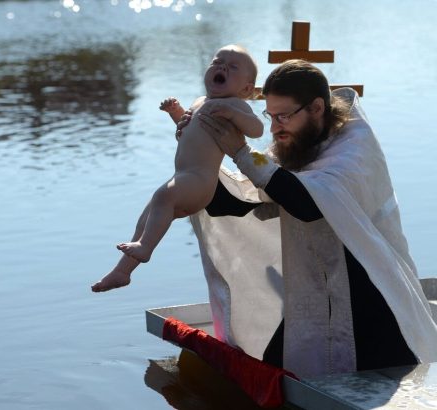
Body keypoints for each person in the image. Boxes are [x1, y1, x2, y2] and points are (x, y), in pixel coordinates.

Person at [182, 59, 437, 377]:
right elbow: (237, 203)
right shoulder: (296, 146)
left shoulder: (356, 149)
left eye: (283, 116)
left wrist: (242, 152)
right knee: (275, 369)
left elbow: (308, 204)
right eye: (269, 116)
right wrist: (200, 147)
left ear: (317, 108)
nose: (274, 128)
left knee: (381, 380)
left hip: (374, 300)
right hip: (316, 293)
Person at [91, 45, 263, 292]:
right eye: (217, 61)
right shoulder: (201, 101)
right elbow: (190, 134)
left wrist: (233, 114)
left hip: (201, 182)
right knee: (147, 216)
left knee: (162, 197)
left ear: (247, 88)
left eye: (233, 67)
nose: (222, 67)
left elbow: (256, 130)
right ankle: (122, 272)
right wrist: (177, 114)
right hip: (183, 178)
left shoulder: (236, 105)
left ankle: (145, 248)